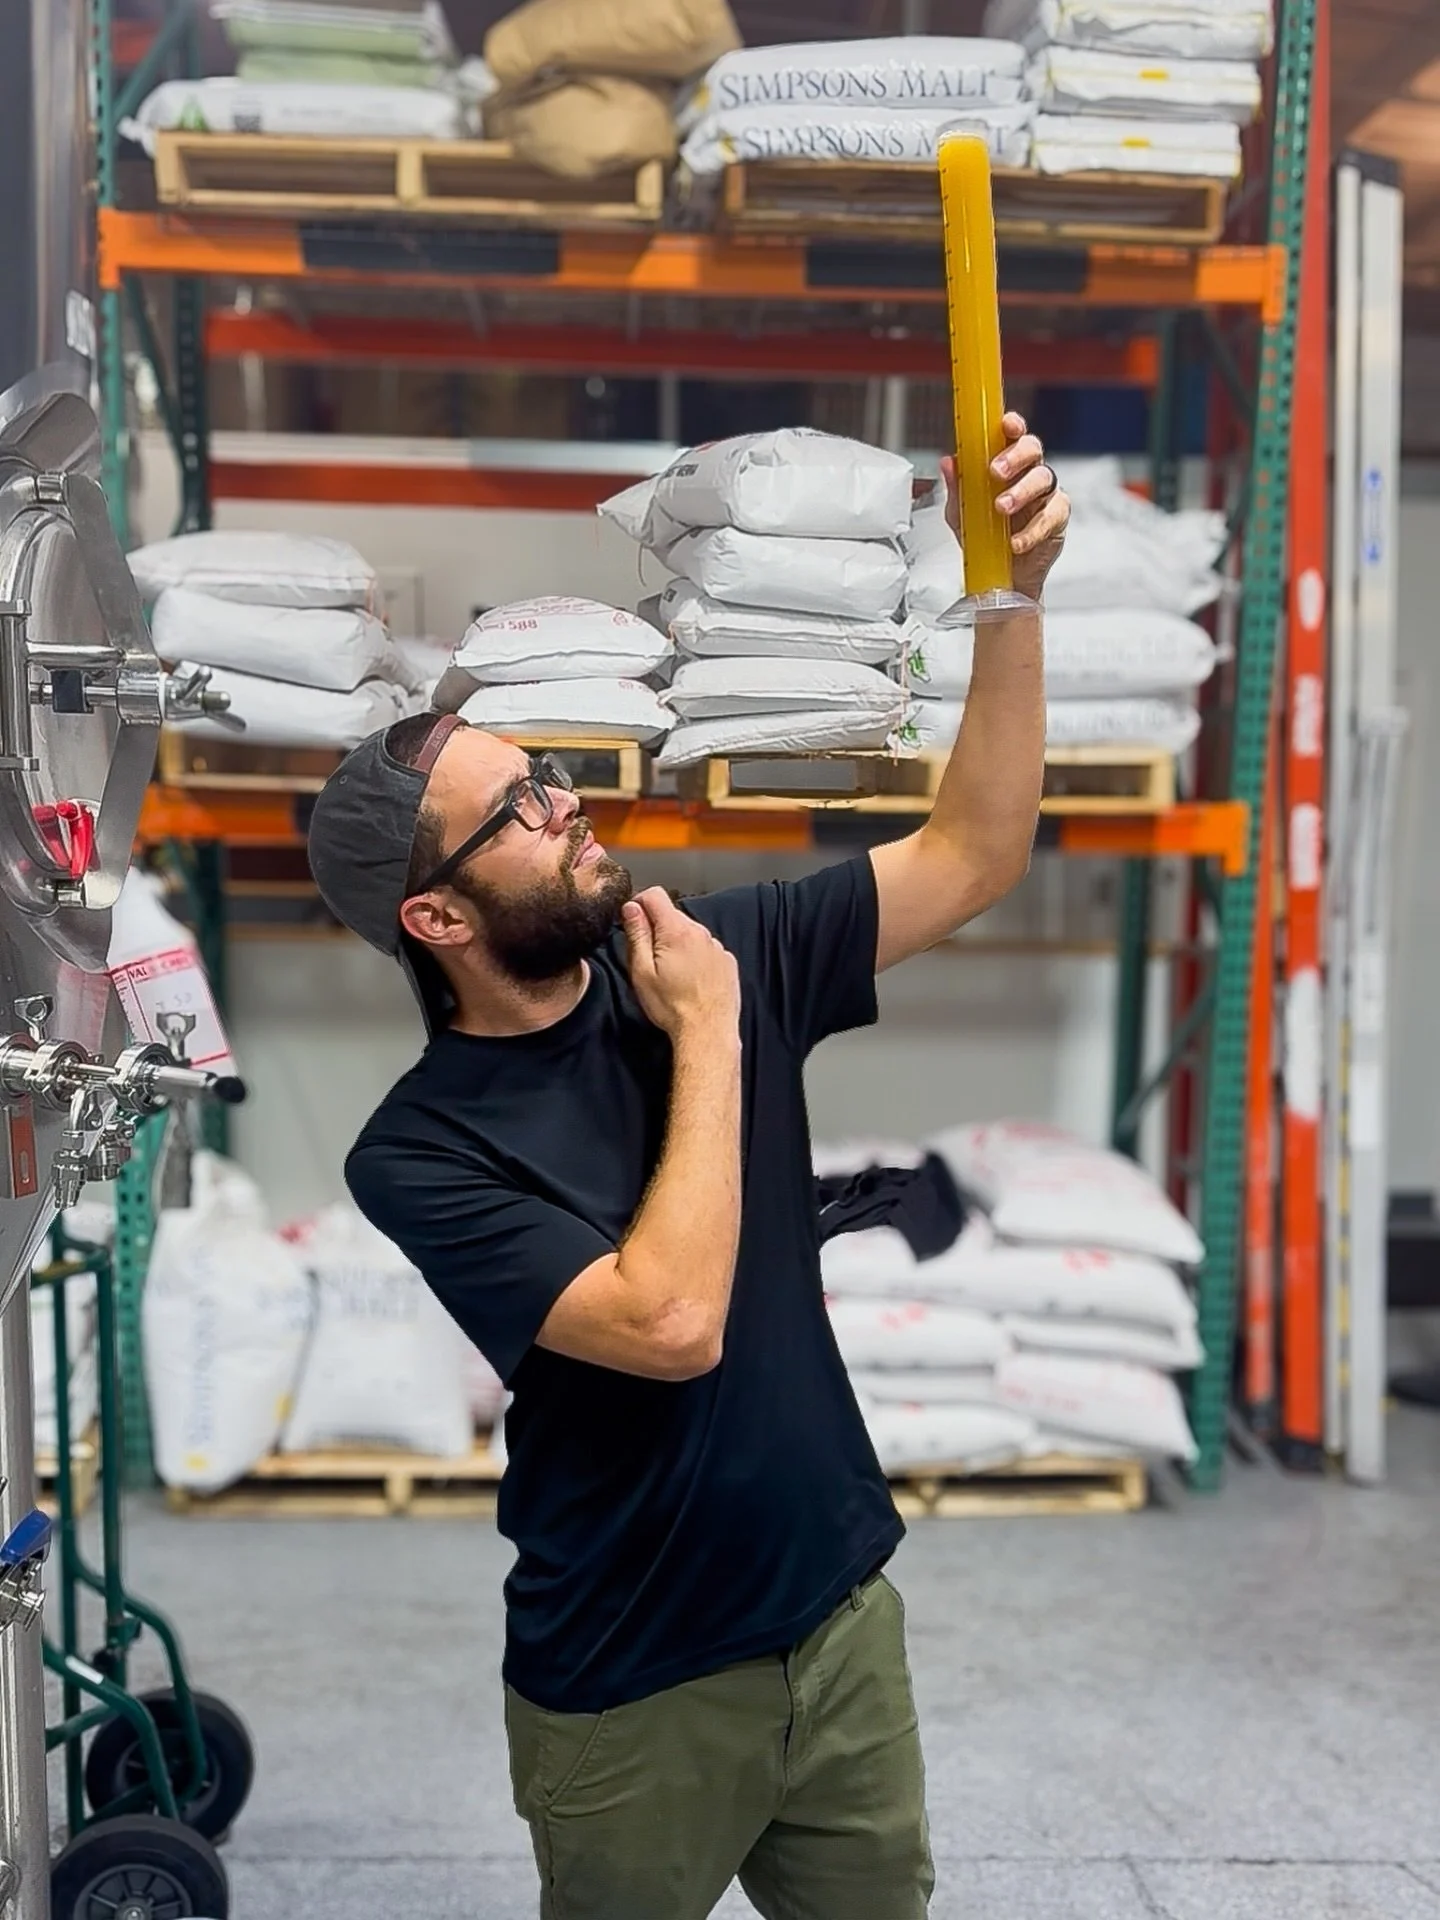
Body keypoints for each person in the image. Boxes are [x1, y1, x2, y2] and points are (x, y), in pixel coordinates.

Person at [306, 416, 1070, 1920]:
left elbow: (977, 850)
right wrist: (711, 1042)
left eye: (547, 776)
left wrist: (1016, 600)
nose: (565, 803)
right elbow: (668, 1324)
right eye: (517, 812)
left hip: (838, 1621)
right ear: (438, 921)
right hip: (631, 1691)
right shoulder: (423, 1150)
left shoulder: (708, 942)